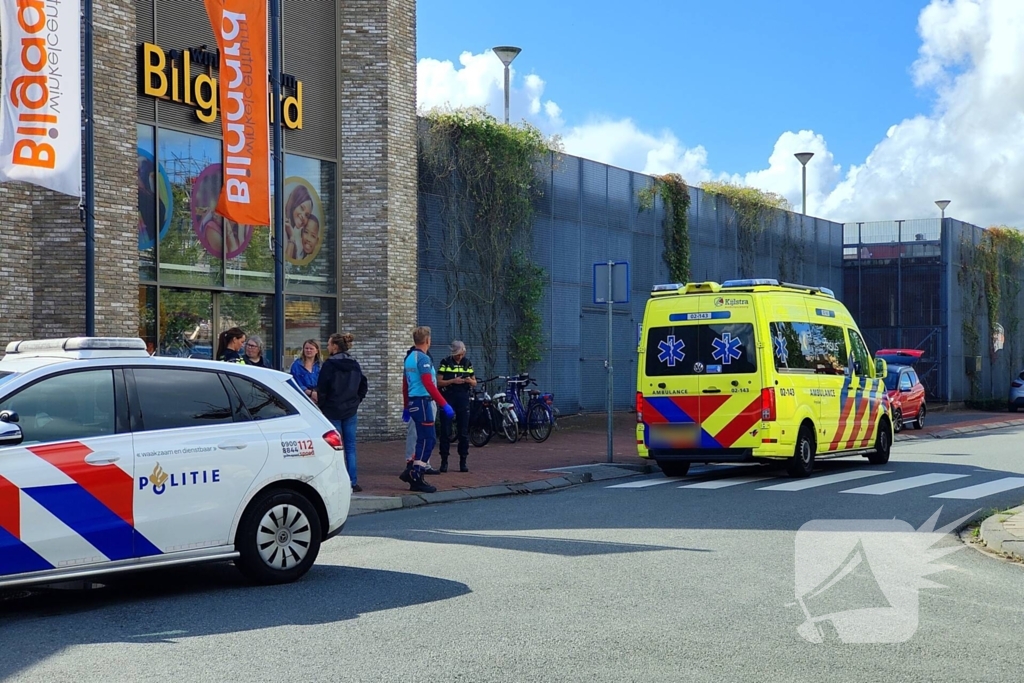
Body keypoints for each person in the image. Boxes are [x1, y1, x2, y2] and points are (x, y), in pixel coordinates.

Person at [401, 326, 454, 493]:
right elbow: (428, 383)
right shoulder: (423, 359)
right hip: (423, 402)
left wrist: (406, 406)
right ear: (428, 341)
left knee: (420, 439)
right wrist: (444, 404)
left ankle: (411, 468)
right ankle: (416, 475)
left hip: (414, 402)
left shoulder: (409, 358)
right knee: (428, 440)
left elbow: (405, 384)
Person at [317, 333, 368, 493]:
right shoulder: (354, 363)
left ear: (335, 346)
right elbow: (363, 384)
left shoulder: (329, 365)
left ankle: (336, 481)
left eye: (329, 344)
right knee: (351, 447)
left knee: (334, 448)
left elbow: (322, 388)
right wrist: (356, 401)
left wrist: (323, 406)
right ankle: (353, 481)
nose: (327, 347)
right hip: (350, 410)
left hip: (332, 410)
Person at [437, 340, 476, 472]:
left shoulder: (467, 363)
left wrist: (469, 381)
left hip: (463, 398)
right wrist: (453, 381)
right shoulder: (445, 362)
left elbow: (474, 381)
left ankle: (463, 460)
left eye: (461, 354)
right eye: (457, 354)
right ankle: (444, 461)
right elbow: (439, 382)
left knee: (463, 432)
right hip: (448, 398)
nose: (459, 357)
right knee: (445, 431)